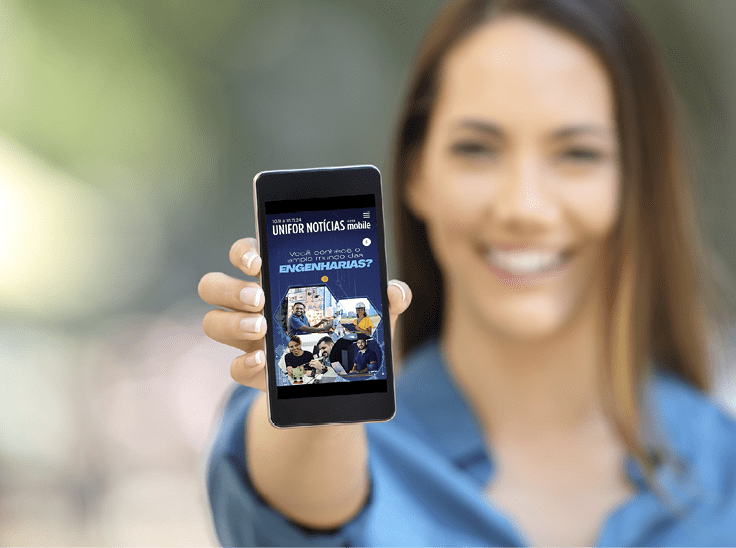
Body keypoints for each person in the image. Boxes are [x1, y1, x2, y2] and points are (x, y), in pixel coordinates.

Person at [198, 0, 736, 545]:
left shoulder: (723, 467)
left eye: (577, 153)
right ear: (416, 174)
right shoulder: (342, 447)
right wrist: (318, 385)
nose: (524, 206)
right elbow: (299, 496)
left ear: (636, 182)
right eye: (476, 149)